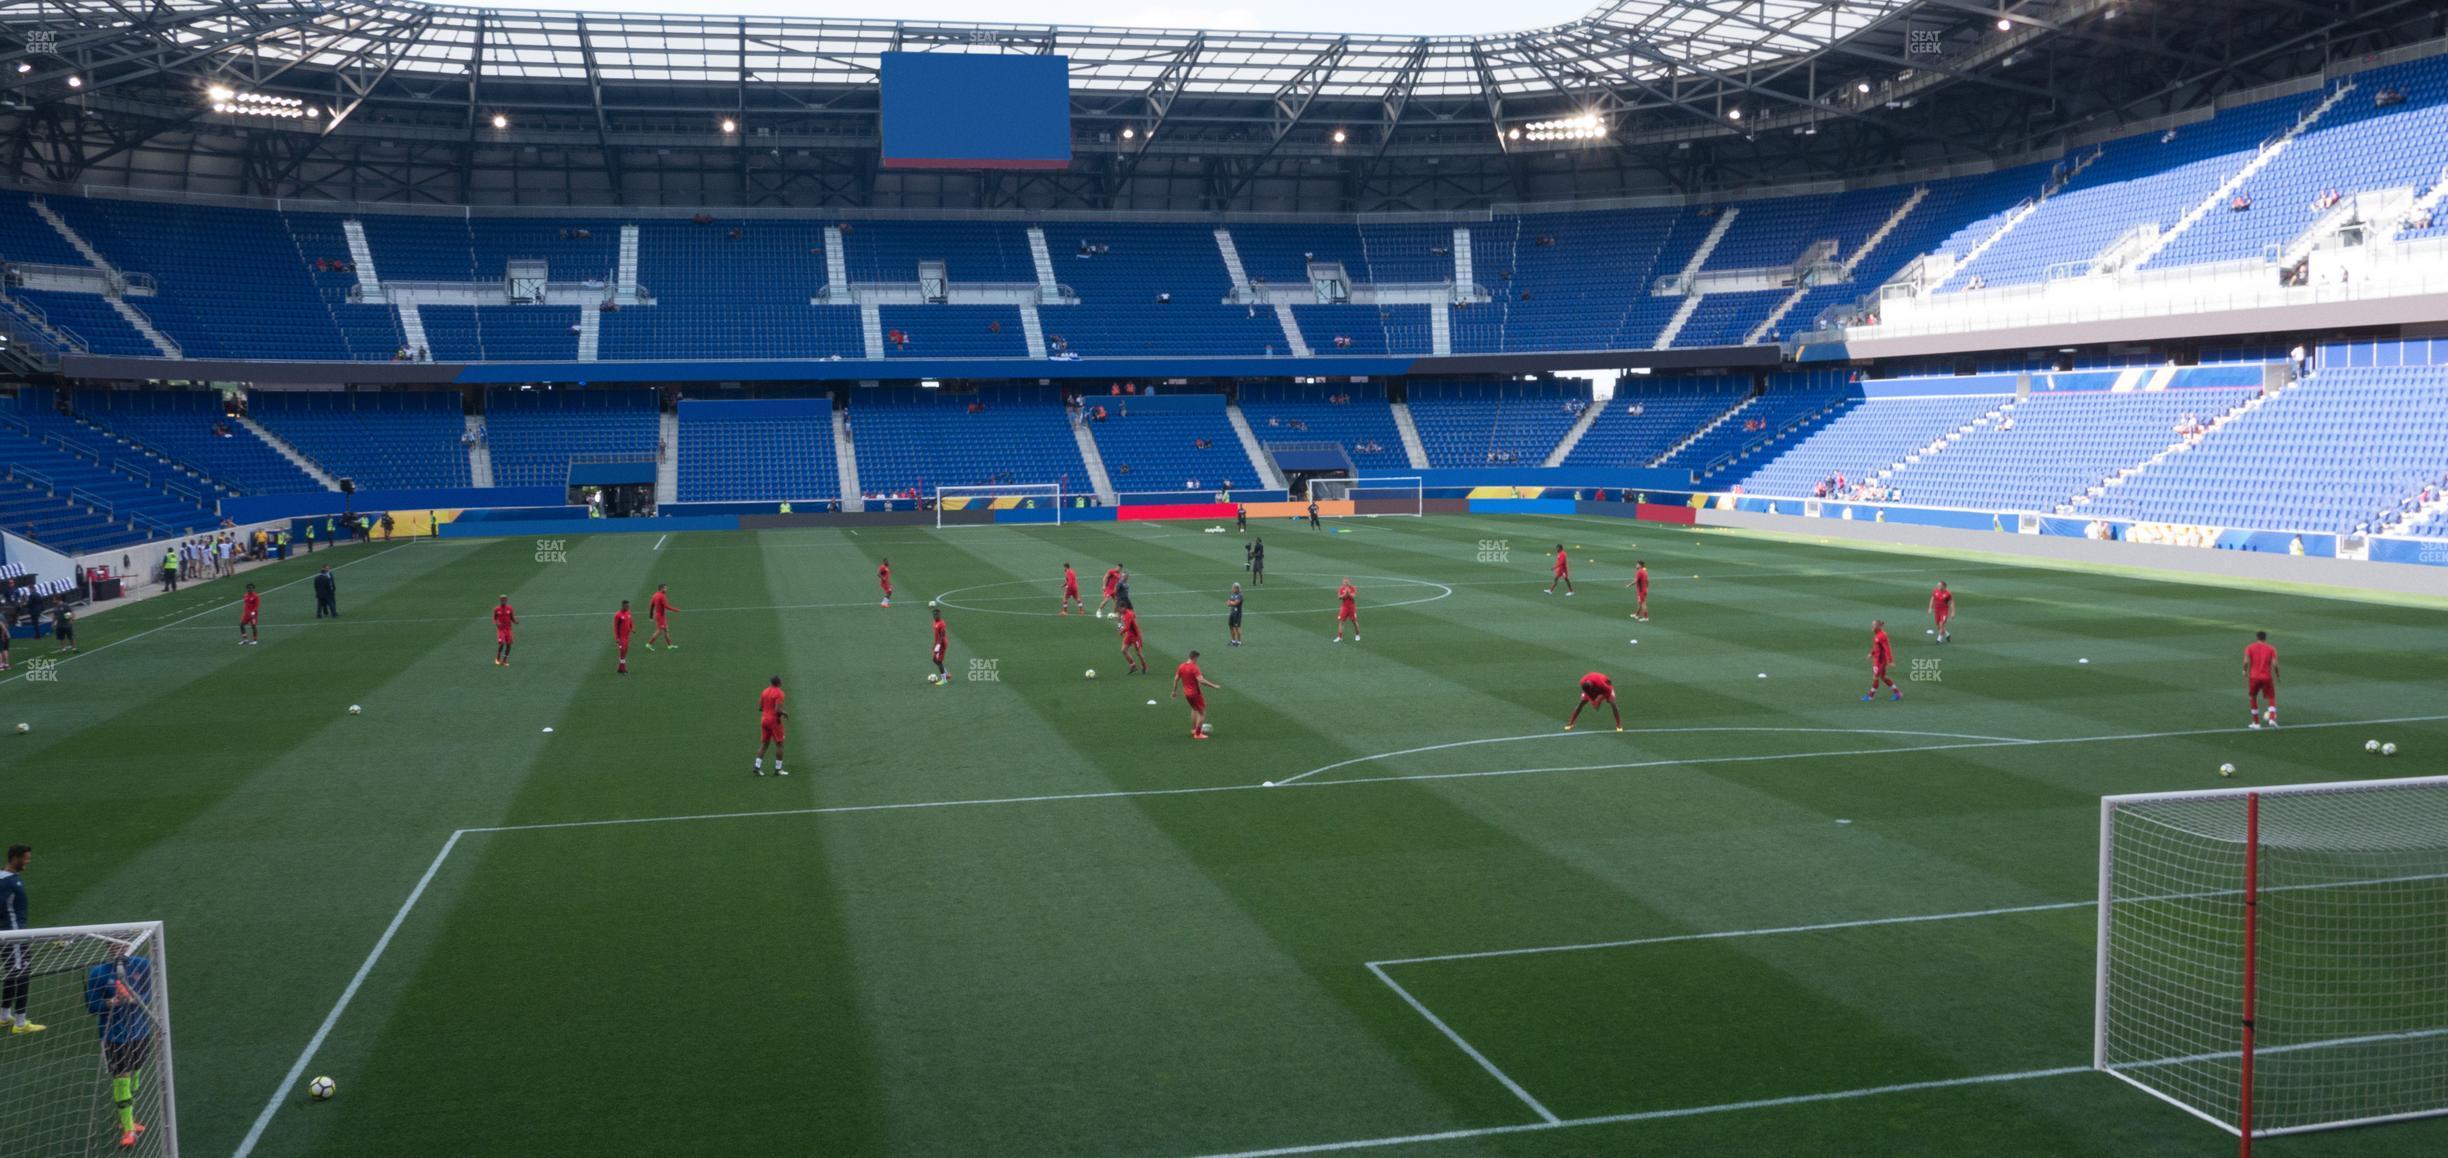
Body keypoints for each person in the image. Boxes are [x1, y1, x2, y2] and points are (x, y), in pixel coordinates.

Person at [85, 937, 157, 1148]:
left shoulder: (142, 965)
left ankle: (127, 1116)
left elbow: (152, 993)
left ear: (129, 945)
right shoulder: (98, 973)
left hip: (140, 1032)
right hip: (114, 1036)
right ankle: (128, 1129)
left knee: (135, 1074)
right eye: (113, 944)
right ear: (107, 946)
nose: (118, 948)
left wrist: (133, 998)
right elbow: (92, 1006)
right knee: (122, 1078)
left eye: (122, 943)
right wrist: (113, 1002)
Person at [2, 844, 35, 1034]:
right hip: (14, 937)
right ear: (14, 858)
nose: (27, 862)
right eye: (25, 858)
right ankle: (21, 1023)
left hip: (13, 934)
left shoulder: (8, 879)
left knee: (12, 973)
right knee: (22, 974)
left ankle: (4, 1016)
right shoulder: (8, 882)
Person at [754, 676, 788, 776]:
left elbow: (760, 707)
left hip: (764, 720)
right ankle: (778, 769)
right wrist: (785, 713)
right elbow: (777, 710)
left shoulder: (764, 691)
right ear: (779, 682)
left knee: (764, 744)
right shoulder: (779, 693)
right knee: (779, 744)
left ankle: (757, 766)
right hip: (774, 721)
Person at [2245, 631, 2280, 729]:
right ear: (2265, 638)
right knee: (2271, 697)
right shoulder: (2271, 648)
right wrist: (2277, 675)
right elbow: (2275, 664)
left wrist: (2244, 670)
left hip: (2254, 677)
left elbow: (2246, 661)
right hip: (2267, 677)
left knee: (2253, 697)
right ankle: (2272, 718)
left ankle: (2256, 723)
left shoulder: (2250, 647)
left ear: (2257, 637)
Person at [1864, 619, 1899, 702]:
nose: (1872, 626)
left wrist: (1890, 661)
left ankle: (1870, 696)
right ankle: (1897, 693)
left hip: (1880, 661)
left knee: (1875, 677)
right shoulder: (1877, 635)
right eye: (1872, 625)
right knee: (1883, 677)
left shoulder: (1882, 636)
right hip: (1878, 659)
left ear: (1879, 626)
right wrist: (1871, 653)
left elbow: (1887, 649)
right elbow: (1877, 647)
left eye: (1874, 625)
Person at [646, 584, 679, 649]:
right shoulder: (662, 596)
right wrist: (675, 610)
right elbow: (666, 606)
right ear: (661, 589)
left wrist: (651, 616)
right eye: (665, 588)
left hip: (660, 616)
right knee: (659, 631)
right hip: (661, 616)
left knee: (666, 630)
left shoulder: (655, 595)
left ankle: (670, 645)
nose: (666, 590)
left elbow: (651, 605)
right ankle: (649, 644)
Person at [1118, 604, 1148, 674]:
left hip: (1136, 636)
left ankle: (1144, 666)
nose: (1119, 610)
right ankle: (1133, 665)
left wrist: (1121, 632)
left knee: (1138, 653)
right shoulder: (1125, 613)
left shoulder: (1129, 614)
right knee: (1123, 650)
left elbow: (1127, 627)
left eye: (1120, 608)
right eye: (1118, 608)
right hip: (1129, 634)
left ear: (1124, 607)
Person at [492, 596, 518, 666]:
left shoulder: (510, 608)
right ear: (500, 601)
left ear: (506, 600)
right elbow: (494, 619)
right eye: (502, 600)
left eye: (505, 600)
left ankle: (504, 660)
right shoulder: (496, 609)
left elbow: (512, 617)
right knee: (502, 643)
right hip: (501, 630)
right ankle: (497, 658)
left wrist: (515, 621)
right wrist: (497, 623)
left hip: (508, 629)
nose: (503, 601)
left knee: (509, 645)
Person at [1334, 578, 1360, 642]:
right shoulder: (1341, 588)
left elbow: (1353, 596)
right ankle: (1340, 637)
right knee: (1341, 622)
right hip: (1344, 607)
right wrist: (1345, 593)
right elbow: (1339, 597)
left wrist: (1349, 593)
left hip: (1351, 607)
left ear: (1349, 582)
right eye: (1344, 582)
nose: (1345, 583)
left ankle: (1357, 635)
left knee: (1354, 621)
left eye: (1347, 582)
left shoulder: (1353, 588)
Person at [929, 605, 950, 685]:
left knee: (939, 661)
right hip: (938, 643)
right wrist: (935, 644)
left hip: (942, 644)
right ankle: (947, 674)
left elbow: (942, 635)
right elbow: (936, 635)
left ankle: (944, 680)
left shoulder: (941, 623)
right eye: (934, 614)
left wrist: (939, 645)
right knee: (934, 659)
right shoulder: (935, 622)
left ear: (940, 614)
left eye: (937, 614)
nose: (935, 616)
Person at [613, 600, 634, 675]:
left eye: (628, 606)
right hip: (621, 637)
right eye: (626, 606)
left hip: (627, 636)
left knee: (625, 651)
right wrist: (617, 638)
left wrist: (632, 628)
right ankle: (623, 669)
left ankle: (620, 668)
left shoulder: (628, 613)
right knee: (622, 651)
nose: (628, 607)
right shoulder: (618, 615)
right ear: (622, 606)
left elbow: (631, 621)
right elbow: (615, 627)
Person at [1227, 582, 1244, 647]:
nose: (1232, 589)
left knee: (1237, 627)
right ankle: (1233, 641)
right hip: (1232, 613)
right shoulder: (1232, 595)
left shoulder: (1240, 595)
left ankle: (1239, 642)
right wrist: (1231, 602)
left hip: (1237, 614)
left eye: (1233, 587)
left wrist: (1231, 602)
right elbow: (1228, 603)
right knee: (1230, 626)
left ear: (1237, 588)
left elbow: (1235, 603)